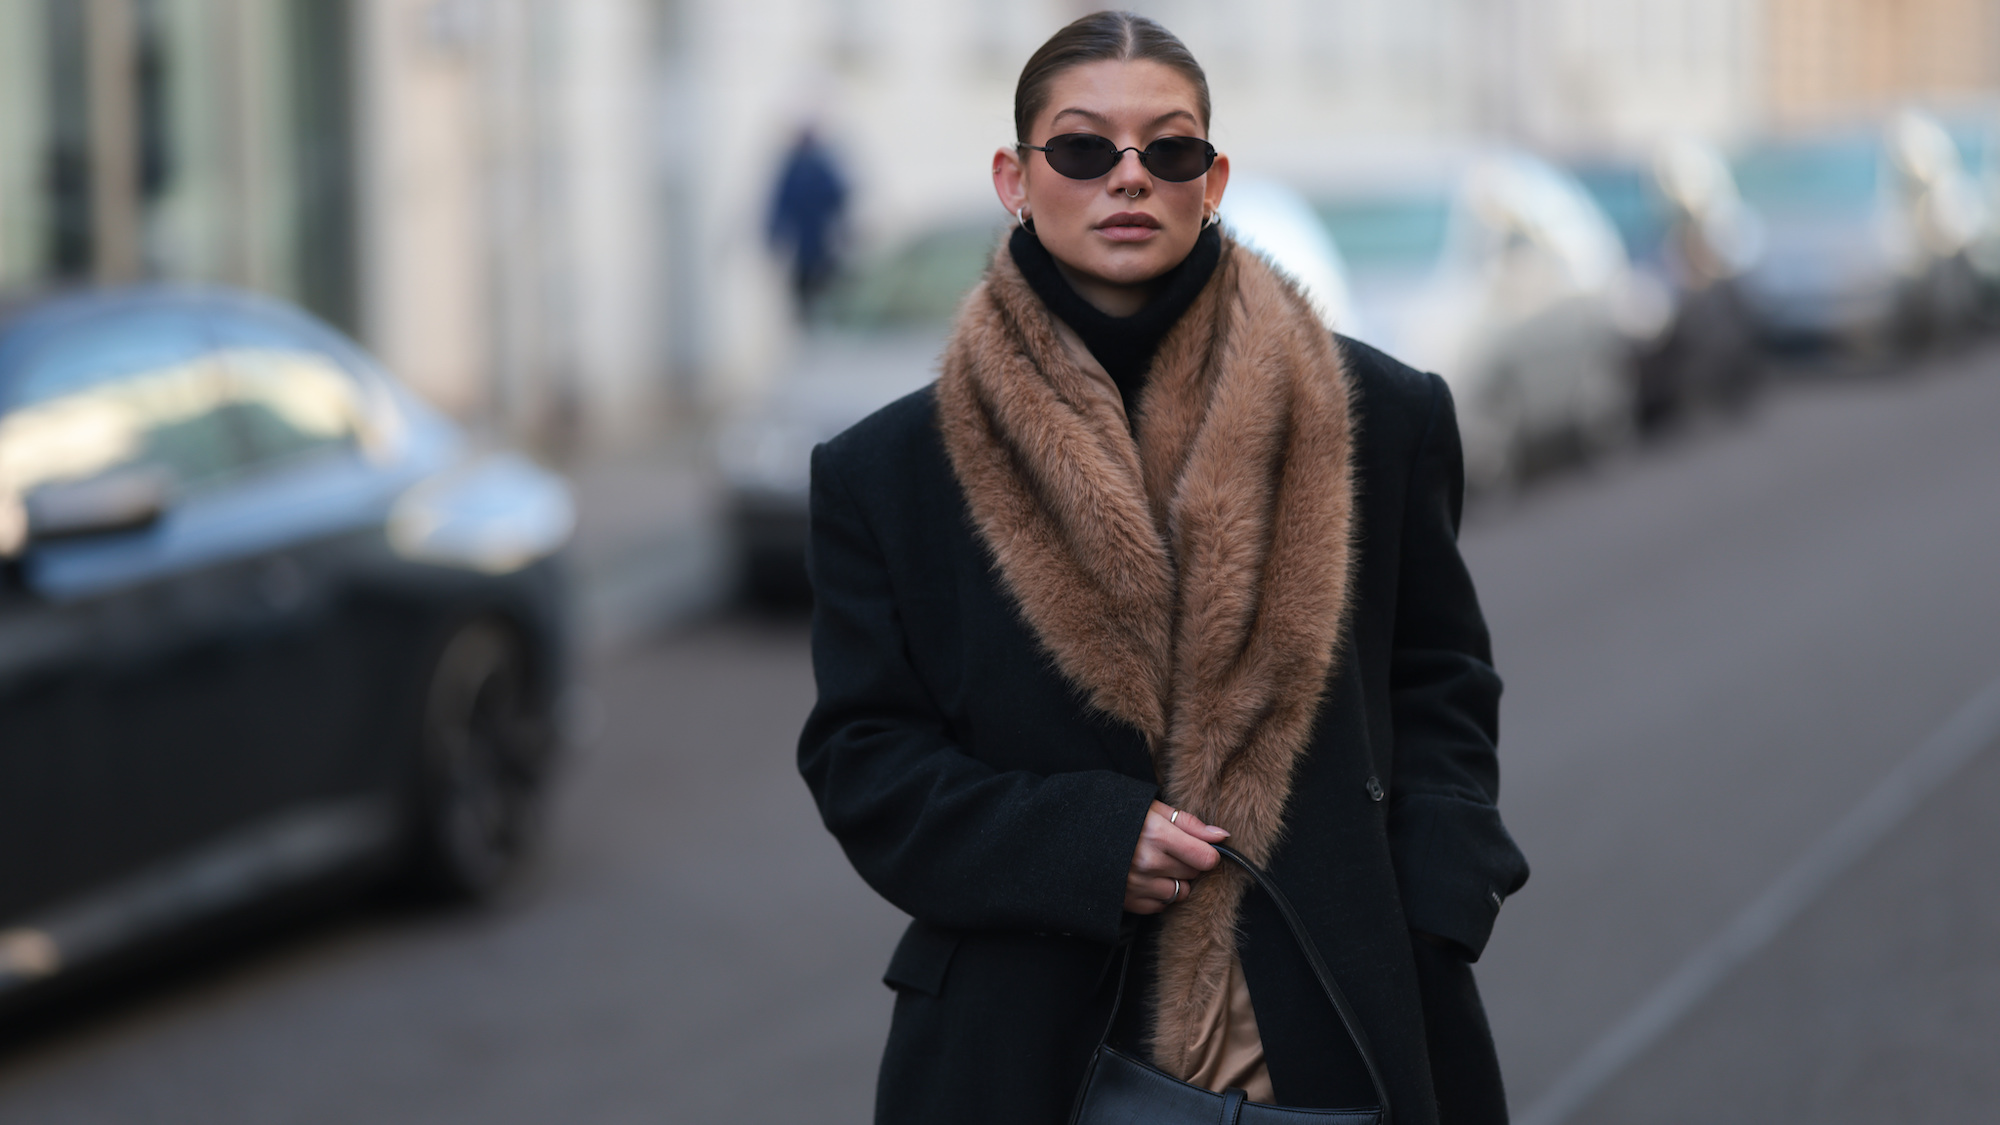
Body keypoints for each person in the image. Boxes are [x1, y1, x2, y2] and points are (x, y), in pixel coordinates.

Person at [798, 11, 1528, 1124]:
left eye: (1169, 149)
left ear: (1212, 175)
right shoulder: (886, 472)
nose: (1127, 178)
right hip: (1026, 1054)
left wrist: (1432, 910)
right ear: (1014, 176)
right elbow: (865, 759)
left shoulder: (1380, 416)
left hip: (1337, 1029)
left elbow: (1439, 681)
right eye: (1084, 149)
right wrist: (1076, 846)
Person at [766, 124, 850, 319]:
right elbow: (780, 206)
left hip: (825, 248)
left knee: (826, 292)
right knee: (806, 297)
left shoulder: (822, 166)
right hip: (804, 251)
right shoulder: (793, 169)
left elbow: (838, 199)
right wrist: (773, 237)